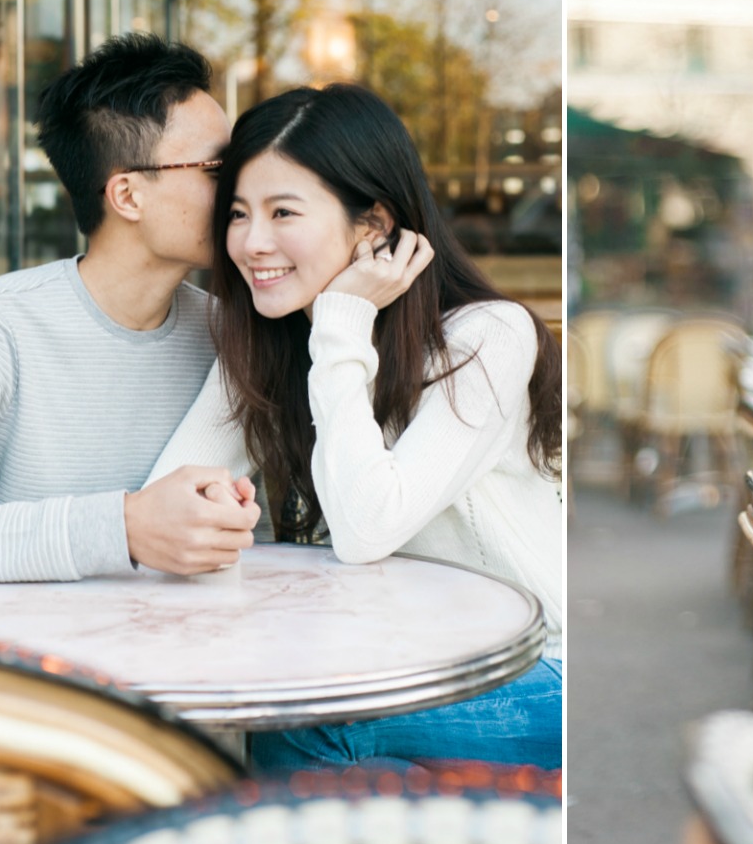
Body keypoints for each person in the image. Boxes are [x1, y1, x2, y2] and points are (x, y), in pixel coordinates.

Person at [157, 84, 563, 770]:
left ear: (373, 226)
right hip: (384, 654)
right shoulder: (266, 343)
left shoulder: (487, 338)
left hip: (526, 668)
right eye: (237, 215)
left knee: (303, 722)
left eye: (283, 212)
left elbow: (367, 528)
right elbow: (173, 496)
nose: (252, 243)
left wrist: (343, 323)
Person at [0, 34, 260, 619]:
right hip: (7, 680)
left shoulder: (231, 336)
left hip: (166, 663)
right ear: (127, 195)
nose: (242, 187)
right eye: (218, 168)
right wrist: (121, 526)